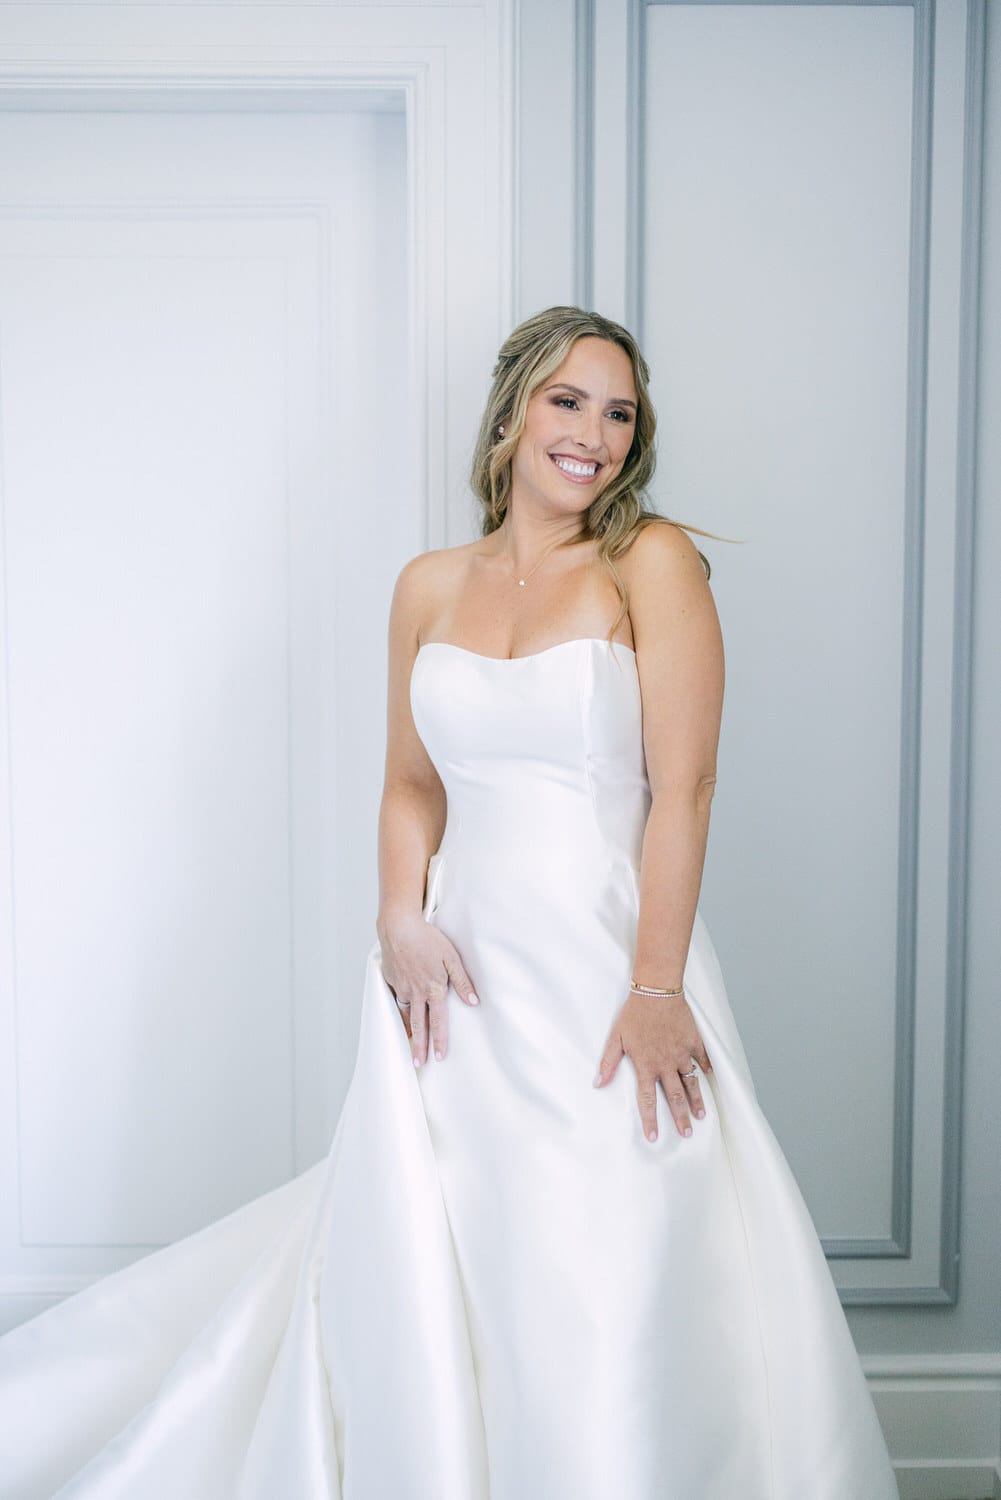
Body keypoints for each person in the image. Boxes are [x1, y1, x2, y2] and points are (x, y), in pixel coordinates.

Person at [0, 306, 899, 1500]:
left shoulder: (650, 561)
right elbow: (409, 784)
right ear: (512, 409)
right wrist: (398, 918)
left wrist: (653, 987)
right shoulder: (426, 585)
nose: (593, 433)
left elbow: (684, 788)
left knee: (609, 1248)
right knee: (447, 1252)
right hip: (456, 979)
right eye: (567, 400)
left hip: (607, 965)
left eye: (618, 412)